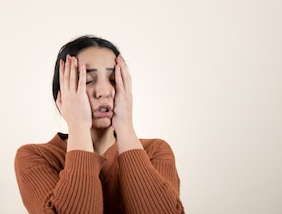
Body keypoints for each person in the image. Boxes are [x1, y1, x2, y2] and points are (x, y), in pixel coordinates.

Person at [14, 35, 185, 214]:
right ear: (63, 94)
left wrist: (125, 127)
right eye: (87, 80)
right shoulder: (36, 157)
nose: (104, 91)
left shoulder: (155, 151)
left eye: (113, 79)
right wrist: (79, 128)